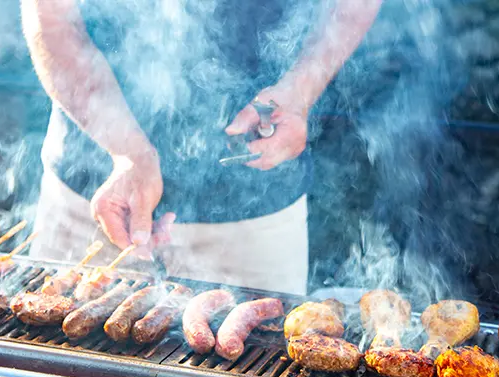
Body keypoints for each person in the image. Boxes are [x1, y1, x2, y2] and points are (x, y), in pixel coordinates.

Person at [23, 0, 383, 293]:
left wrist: (301, 90)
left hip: (255, 220)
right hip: (96, 202)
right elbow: (50, 14)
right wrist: (126, 150)